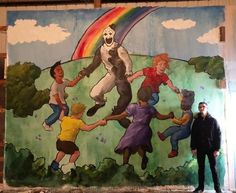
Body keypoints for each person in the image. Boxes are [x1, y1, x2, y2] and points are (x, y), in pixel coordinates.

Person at [105, 87, 173, 170]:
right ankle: (143, 157)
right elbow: (160, 117)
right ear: (148, 98)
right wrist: (169, 116)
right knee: (140, 146)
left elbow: (120, 116)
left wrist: (108, 118)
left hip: (133, 129)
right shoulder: (151, 109)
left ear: (138, 97)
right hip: (145, 130)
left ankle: (125, 165)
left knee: (127, 147)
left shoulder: (134, 107)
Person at [79, 24, 133, 128]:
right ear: (103, 36)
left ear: (113, 35)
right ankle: (100, 103)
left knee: (125, 95)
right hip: (111, 74)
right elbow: (95, 64)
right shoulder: (101, 50)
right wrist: (86, 71)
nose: (108, 36)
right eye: (105, 34)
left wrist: (129, 71)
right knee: (94, 93)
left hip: (121, 75)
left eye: (110, 34)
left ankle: (118, 113)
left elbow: (127, 61)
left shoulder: (119, 48)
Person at [50, 103, 107, 174]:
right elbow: (88, 128)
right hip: (68, 143)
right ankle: (68, 167)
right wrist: (98, 123)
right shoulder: (78, 122)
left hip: (59, 142)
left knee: (62, 151)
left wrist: (63, 110)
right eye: (82, 113)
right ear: (79, 113)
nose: (82, 114)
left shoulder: (66, 119)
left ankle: (54, 166)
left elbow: (60, 117)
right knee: (76, 153)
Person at [191, 102, 222, 193]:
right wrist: (193, 148)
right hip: (200, 148)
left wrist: (217, 149)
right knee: (201, 168)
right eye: (200, 107)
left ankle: (217, 188)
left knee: (214, 169)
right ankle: (200, 187)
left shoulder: (213, 121)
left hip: (211, 148)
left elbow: (218, 135)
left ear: (207, 108)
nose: (201, 108)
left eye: (203, 106)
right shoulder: (196, 121)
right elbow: (193, 135)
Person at [43, 61, 83, 131]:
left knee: (66, 109)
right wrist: (61, 106)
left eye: (61, 69)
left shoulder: (64, 81)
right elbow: (56, 98)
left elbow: (72, 84)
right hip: (54, 102)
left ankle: (62, 121)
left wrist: (79, 77)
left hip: (61, 101)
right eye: (58, 70)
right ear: (54, 75)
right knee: (58, 111)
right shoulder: (54, 86)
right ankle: (46, 123)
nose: (61, 71)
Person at [157, 89, 194, 158]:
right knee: (171, 129)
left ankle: (174, 151)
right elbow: (181, 99)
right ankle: (163, 136)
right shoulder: (186, 107)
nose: (181, 103)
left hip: (185, 132)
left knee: (174, 137)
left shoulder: (187, 114)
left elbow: (180, 122)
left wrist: (172, 118)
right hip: (182, 128)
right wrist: (177, 93)